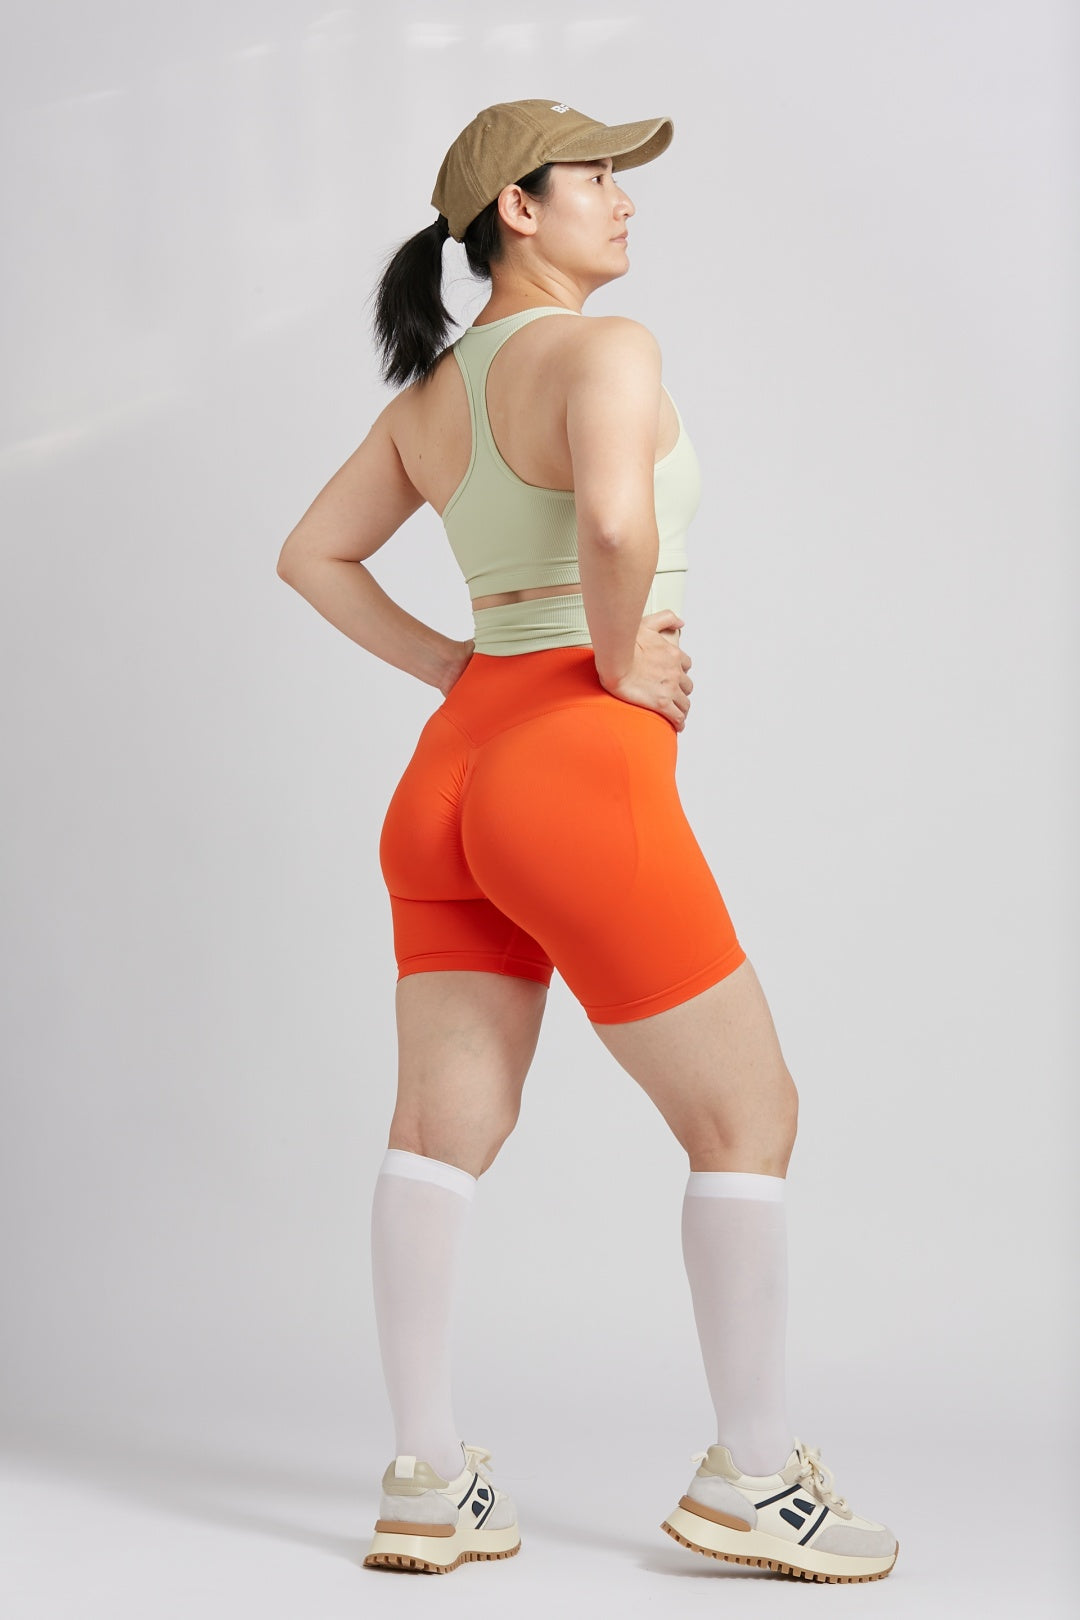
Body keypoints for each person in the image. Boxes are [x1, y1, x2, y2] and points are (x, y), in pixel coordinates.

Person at [276, 98, 898, 1584]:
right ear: (518, 209)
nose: (625, 200)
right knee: (748, 1119)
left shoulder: (431, 396)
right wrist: (616, 660)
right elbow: (616, 528)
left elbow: (311, 555)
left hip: (450, 779)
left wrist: (456, 667)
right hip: (573, 769)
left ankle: (427, 1478)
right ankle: (755, 1479)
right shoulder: (607, 350)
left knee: (440, 1129)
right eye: (597, 178)